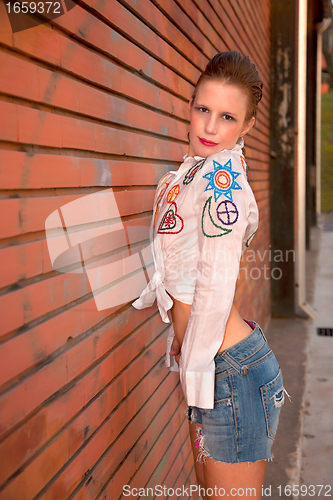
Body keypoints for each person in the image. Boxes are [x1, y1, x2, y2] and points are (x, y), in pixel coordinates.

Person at [132, 51, 289, 500]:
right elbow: (174, 271)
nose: (209, 127)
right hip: (206, 366)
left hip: (226, 372)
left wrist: (194, 368)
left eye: (226, 117)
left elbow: (217, 287)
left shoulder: (224, 181)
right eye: (203, 109)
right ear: (191, 105)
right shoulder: (186, 176)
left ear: (248, 125)